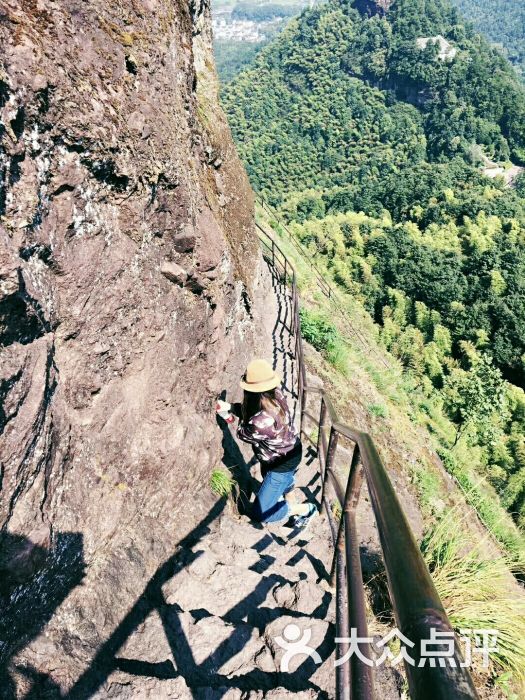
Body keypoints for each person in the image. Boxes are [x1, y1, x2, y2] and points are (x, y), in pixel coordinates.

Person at [216, 358, 317, 529]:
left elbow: (244, 433)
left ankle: (305, 509)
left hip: (280, 463)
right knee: (273, 478)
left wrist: (228, 415)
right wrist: (231, 407)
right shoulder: (276, 394)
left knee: (261, 513)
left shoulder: (262, 421)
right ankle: (285, 492)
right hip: (288, 451)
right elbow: (253, 414)